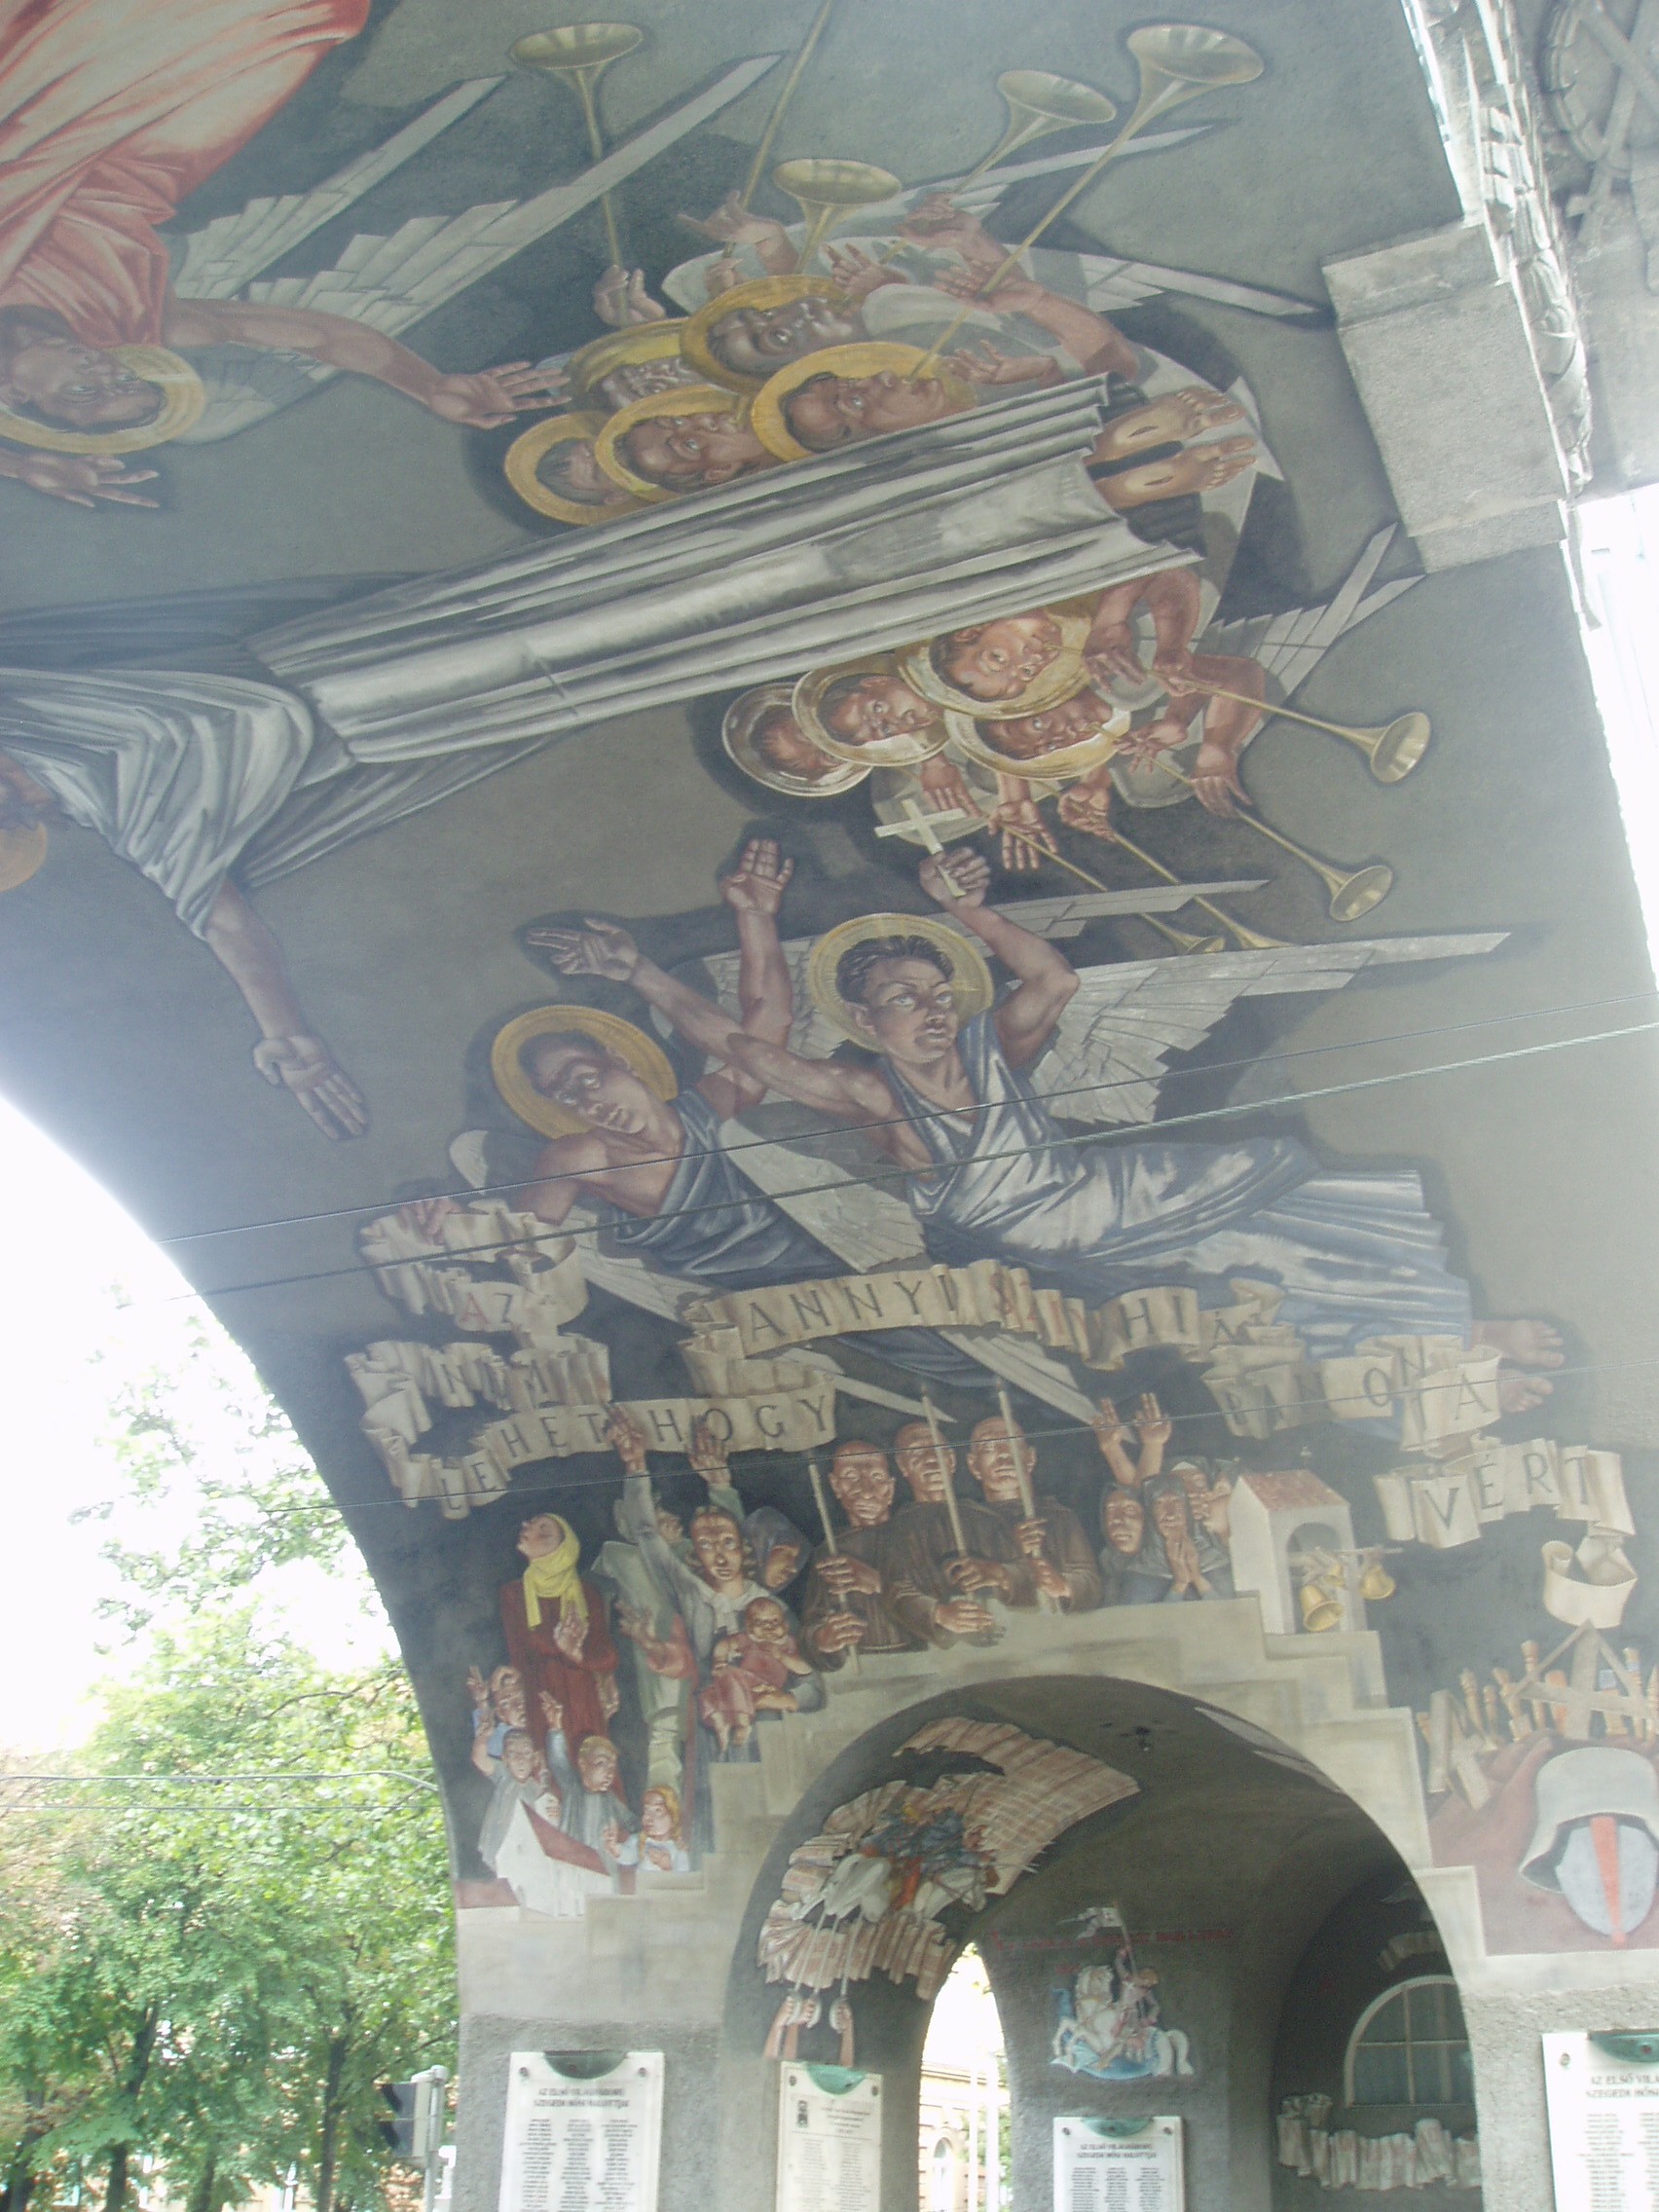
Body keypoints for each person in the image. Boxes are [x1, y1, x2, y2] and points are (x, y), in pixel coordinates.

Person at [713, 848, 1563, 1393]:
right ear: (865, 1022)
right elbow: (751, 1050)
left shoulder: (990, 1050)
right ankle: (1435, 1364)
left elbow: (1053, 981)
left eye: (941, 994)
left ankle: (1458, 1331)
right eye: (903, 1000)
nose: (931, 1011)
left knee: (1287, 1228)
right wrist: (752, 920)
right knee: (1244, 1297)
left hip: (1125, 1198)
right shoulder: (871, 1098)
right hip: (1070, 1256)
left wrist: (970, 912)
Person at [0, 0, 562, 511]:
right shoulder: (141, 323)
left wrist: (19, 465)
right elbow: (318, 335)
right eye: (127, 383)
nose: (105, 371)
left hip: (21, 132)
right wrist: (427, 385)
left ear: (14, 395)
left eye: (84, 392)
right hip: (140, 153)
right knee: (295, 19)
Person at [883, 1419, 1037, 1645]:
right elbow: (895, 1591)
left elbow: (1027, 1576)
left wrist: (998, 1573)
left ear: (952, 1460)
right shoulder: (899, 1529)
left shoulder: (985, 1518)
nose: (930, 1459)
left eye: (937, 1449)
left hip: (1007, 1638)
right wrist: (939, 1614)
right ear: (903, 1466)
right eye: (916, 1452)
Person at [798, 1439, 924, 1671]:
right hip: (863, 1671)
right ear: (835, 1486)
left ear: (890, 1488)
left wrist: (879, 1582)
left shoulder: (916, 1537)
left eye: (876, 1477)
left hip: (924, 1663)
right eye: (851, 1477)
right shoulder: (829, 1552)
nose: (866, 1490)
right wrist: (823, 1638)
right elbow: (811, 1626)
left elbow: (940, 1604)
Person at [498, 1512, 620, 1751]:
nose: (526, 1525)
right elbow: (520, 1656)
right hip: (541, 1698)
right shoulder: (513, 1595)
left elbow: (607, 1656)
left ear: (557, 1549)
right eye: (531, 1523)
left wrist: (577, 1655)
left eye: (542, 1530)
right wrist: (562, 1647)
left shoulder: (587, 1594)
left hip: (583, 1698)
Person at [964, 1414, 1102, 1612]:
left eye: (1012, 1443)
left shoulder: (1060, 1517)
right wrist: (1013, 1553)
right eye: (988, 1447)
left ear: (1030, 1458)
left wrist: (1063, 1585)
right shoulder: (966, 1523)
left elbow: (1091, 1585)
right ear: (973, 1465)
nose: (1003, 1454)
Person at [695, 1597, 815, 1751]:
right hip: (744, 1685)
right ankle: (718, 1721)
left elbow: (805, 1668)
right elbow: (724, 1644)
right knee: (707, 1694)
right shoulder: (748, 1640)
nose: (767, 1626)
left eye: (774, 1621)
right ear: (749, 1626)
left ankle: (743, 1722)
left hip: (765, 1686)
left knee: (731, 1673)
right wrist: (720, 1660)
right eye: (759, 1622)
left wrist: (782, 1657)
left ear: (785, 1625)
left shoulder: (787, 1643)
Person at [542, 1710, 638, 1875]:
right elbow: (558, 1761)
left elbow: (634, 1824)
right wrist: (555, 1728)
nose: (609, 1772)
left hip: (602, 1869)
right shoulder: (572, 1787)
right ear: (583, 1764)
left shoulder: (609, 1799)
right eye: (601, 1763)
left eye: (612, 1767)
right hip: (571, 1864)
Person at [1142, 1472, 1234, 1602]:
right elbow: (1140, 1615)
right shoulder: (1143, 1569)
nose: (1170, 1514)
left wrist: (1198, 1579)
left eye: (1177, 1502)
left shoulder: (1216, 1560)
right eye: (1159, 1505)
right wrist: (1179, 1585)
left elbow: (1232, 1612)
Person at [1098, 1486, 1171, 1607]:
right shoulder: (1104, 1568)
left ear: (1148, 1518)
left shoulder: (1167, 1567)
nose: (1117, 1520)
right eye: (1110, 1511)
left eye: (1129, 1510)